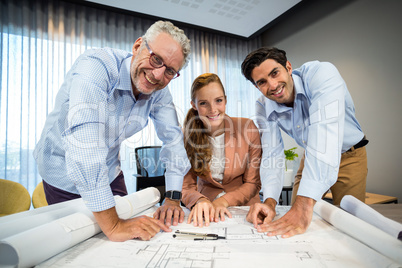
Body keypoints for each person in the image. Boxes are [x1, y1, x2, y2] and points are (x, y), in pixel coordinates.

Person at [33, 21, 192, 242]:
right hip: (66, 169)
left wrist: (173, 198)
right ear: (138, 46)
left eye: (170, 71)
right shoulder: (96, 66)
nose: (157, 75)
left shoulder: (159, 91)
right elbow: (85, 147)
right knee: (81, 243)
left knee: (128, 242)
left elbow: (173, 141)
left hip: (108, 168)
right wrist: (115, 225)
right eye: (156, 59)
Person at [241, 47, 368, 238]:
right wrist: (269, 202)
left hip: (350, 155)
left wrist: (305, 203)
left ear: (288, 67)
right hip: (310, 156)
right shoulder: (262, 106)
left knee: (350, 226)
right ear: (256, 86)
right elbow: (272, 154)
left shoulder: (321, 74)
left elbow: (325, 133)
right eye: (262, 82)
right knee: (295, 221)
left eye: (275, 73)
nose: (273, 85)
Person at [181, 73, 262, 227]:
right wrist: (200, 201)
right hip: (206, 209)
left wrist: (223, 201)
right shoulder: (187, 136)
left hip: (245, 208)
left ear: (225, 100)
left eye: (218, 101)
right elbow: (186, 186)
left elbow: (253, 183)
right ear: (194, 105)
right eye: (204, 103)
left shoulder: (247, 128)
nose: (213, 110)